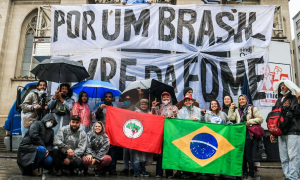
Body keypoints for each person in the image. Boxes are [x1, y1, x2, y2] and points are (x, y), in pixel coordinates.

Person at [270, 80, 300, 180]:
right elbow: (274, 117)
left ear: (289, 87)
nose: (282, 87)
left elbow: (296, 113)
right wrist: (273, 132)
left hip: (293, 131)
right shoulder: (278, 100)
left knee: (293, 156)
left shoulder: (294, 99)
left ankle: (293, 178)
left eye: (285, 85)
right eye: (281, 85)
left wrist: (299, 102)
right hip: (280, 132)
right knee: (283, 157)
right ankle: (287, 176)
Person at [228, 95, 263, 180]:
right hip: (240, 134)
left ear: (246, 100)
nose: (241, 101)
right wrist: (231, 108)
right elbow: (230, 117)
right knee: (242, 155)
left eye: (243, 99)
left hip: (249, 134)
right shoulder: (237, 110)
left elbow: (260, 119)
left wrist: (250, 121)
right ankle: (244, 173)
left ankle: (251, 174)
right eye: (240, 99)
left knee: (248, 155)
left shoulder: (252, 108)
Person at [173, 95, 203, 179]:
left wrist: (199, 119)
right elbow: (177, 122)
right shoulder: (181, 111)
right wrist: (175, 116)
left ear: (192, 101)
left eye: (189, 100)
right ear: (184, 102)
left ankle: (197, 172)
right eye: (186, 101)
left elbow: (203, 119)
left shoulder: (198, 110)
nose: (188, 102)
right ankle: (186, 172)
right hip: (185, 136)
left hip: (196, 136)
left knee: (196, 154)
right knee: (186, 154)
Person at [152, 92, 177, 178]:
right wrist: (154, 107)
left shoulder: (174, 107)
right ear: (161, 99)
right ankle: (159, 173)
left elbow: (177, 119)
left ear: (170, 98)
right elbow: (154, 118)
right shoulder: (159, 108)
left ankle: (169, 174)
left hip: (170, 134)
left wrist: (174, 115)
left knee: (168, 153)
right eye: (164, 97)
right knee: (160, 154)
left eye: (167, 97)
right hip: (161, 133)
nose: (165, 99)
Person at [93, 91, 117, 175]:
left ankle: (112, 169)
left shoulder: (115, 107)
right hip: (102, 133)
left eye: (110, 97)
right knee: (102, 151)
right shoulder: (100, 106)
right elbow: (95, 116)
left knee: (113, 151)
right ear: (104, 98)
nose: (108, 98)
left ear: (112, 98)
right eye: (106, 97)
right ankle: (101, 168)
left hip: (112, 133)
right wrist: (100, 109)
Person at [133, 99, 153, 177]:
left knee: (144, 154)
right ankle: (136, 171)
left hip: (146, 136)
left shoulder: (150, 112)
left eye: (145, 104)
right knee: (137, 155)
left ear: (148, 105)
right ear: (140, 105)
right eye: (142, 104)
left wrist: (151, 116)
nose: (144, 105)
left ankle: (143, 170)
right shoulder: (136, 112)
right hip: (137, 136)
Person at [121, 95, 135, 175]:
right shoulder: (120, 109)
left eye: (129, 100)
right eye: (125, 100)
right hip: (124, 132)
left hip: (132, 131)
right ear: (123, 101)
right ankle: (126, 168)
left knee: (132, 151)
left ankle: (132, 168)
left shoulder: (134, 108)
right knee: (125, 151)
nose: (127, 101)